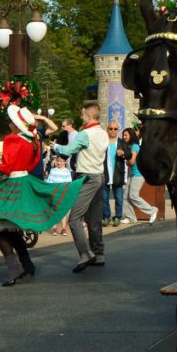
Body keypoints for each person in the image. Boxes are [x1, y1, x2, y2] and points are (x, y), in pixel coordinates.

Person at [0, 105, 83, 285]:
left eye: (11, 121)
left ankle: (15, 268)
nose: (9, 123)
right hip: (24, 182)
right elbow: (30, 164)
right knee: (10, 228)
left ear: (16, 124)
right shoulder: (33, 141)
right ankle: (26, 265)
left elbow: (6, 167)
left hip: (14, 184)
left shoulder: (13, 140)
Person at [53, 100, 111, 272]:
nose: (81, 117)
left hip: (87, 177)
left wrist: (55, 146)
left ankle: (85, 254)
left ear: (89, 116)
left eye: (83, 114)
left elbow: (67, 151)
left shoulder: (84, 134)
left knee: (74, 218)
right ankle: (99, 253)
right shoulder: (102, 132)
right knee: (94, 218)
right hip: (99, 175)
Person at [120, 127, 158, 225]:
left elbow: (131, 161)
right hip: (133, 174)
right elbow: (130, 163)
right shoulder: (131, 146)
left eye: (126, 135)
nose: (124, 137)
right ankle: (131, 217)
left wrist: (125, 156)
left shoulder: (135, 146)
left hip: (138, 174)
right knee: (126, 196)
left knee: (133, 196)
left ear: (131, 136)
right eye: (123, 135)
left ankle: (151, 210)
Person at [102, 121, 127, 226]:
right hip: (104, 173)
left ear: (118, 130)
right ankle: (106, 217)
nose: (113, 130)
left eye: (115, 129)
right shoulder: (102, 142)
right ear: (107, 129)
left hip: (118, 173)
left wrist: (124, 153)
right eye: (110, 128)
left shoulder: (122, 143)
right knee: (104, 198)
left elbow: (130, 155)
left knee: (119, 198)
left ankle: (117, 216)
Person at [46, 155, 73, 235]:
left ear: (65, 162)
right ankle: (54, 228)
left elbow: (68, 183)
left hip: (62, 193)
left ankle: (64, 228)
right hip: (54, 193)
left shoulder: (67, 172)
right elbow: (49, 181)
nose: (58, 162)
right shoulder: (53, 170)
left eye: (61, 161)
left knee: (63, 211)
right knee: (54, 210)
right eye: (57, 161)